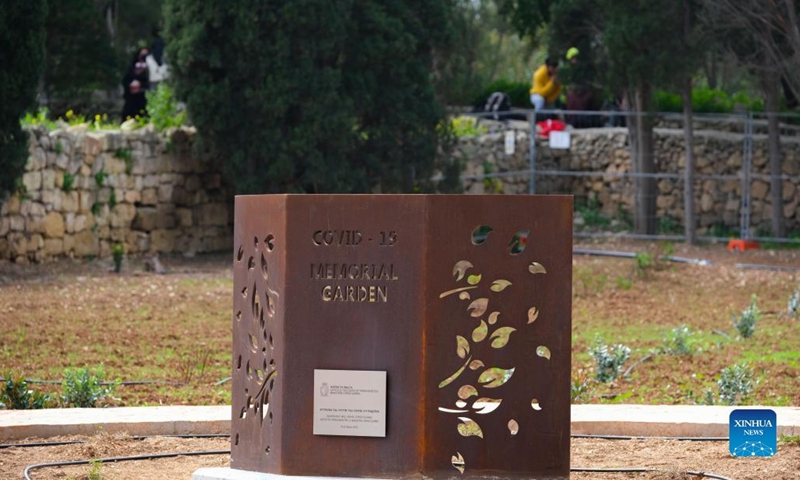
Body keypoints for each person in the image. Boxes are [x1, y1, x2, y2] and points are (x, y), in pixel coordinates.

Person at [121, 48, 151, 121]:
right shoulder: (132, 67)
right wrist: (130, 85)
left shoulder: (149, 67)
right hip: (131, 96)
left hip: (143, 96)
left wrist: (140, 85)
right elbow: (126, 79)